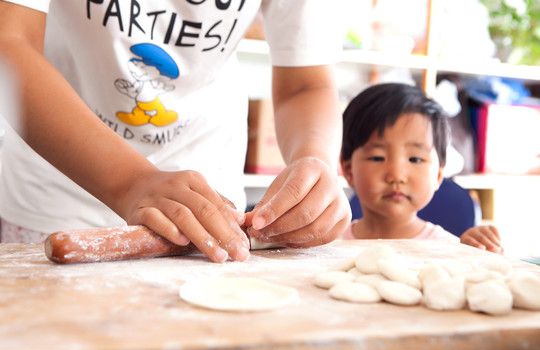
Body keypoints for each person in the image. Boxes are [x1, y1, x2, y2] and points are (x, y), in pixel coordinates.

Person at [0, 1, 351, 262]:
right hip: (58, 188)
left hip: (207, 203)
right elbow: (9, 43)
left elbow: (305, 83)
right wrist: (130, 180)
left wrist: (314, 158)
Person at [340, 83, 503, 254]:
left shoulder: (452, 251)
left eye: (415, 159)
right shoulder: (331, 246)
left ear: (439, 174)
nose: (397, 176)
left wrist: (480, 255)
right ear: (348, 170)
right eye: (378, 158)